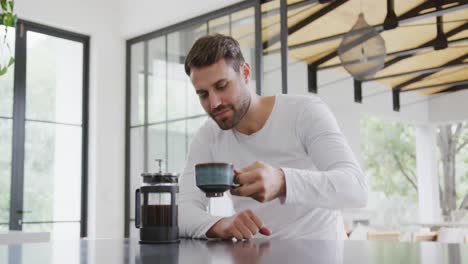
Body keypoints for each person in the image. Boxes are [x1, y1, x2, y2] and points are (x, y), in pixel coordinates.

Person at [178, 34, 368, 241]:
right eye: (203, 94)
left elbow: (356, 188)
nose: (214, 103)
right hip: (256, 256)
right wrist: (220, 224)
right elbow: (182, 211)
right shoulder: (208, 136)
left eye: (222, 86)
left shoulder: (304, 112)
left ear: (245, 73)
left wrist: (283, 181)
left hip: (321, 252)